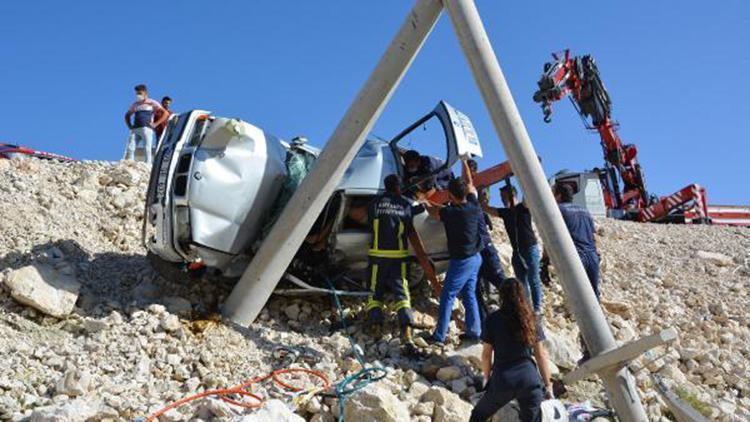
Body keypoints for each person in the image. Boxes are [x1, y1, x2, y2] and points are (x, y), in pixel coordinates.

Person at [366, 174, 440, 352]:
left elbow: (364, 218)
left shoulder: (374, 202)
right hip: (398, 259)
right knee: (402, 294)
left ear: (385, 186)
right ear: (399, 187)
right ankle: (406, 330)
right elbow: (417, 213)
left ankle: (376, 327)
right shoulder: (406, 204)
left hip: (377, 258)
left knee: (375, 294)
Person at [423, 159, 483, 344]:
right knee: (469, 294)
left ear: (450, 195)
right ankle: (474, 332)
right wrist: (464, 161)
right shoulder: (473, 206)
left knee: (448, 295)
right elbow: (470, 183)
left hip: (463, 260)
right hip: (475, 257)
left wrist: (423, 201)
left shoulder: (451, 213)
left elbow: (433, 211)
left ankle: (439, 335)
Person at [470, 278, 544, 422]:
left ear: (501, 296)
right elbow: (540, 355)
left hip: (503, 379)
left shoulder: (492, 320)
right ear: (523, 295)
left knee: (478, 416)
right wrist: (548, 384)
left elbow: (486, 356)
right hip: (529, 379)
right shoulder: (532, 319)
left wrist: (487, 378)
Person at [482, 185, 543, 313]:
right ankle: (526, 307)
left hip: (530, 248)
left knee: (533, 279)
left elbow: (529, 192)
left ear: (512, 195)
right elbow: (488, 209)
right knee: (522, 282)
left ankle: (537, 309)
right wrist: (482, 199)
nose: (502, 200)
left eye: (503, 196)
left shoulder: (523, 207)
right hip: (517, 251)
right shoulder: (505, 212)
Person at [467, 159, 506, 320]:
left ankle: (517, 312)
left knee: (499, 282)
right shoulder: (469, 193)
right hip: (475, 249)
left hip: (483, 246)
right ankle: (484, 324)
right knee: (475, 288)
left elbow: (483, 204)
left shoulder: (479, 187)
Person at [553, 183, 600, 299]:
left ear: (558, 196)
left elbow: (552, 235)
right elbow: (594, 236)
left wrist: (545, 259)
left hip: (577, 256)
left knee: (577, 295)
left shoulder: (559, 210)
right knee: (594, 294)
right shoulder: (585, 211)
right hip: (592, 256)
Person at [124, 84, 168, 164]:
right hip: (135, 129)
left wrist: (155, 124)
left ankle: (147, 164)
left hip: (146, 128)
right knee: (131, 146)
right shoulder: (135, 104)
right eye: (137, 93)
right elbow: (127, 115)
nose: (138, 95)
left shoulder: (151, 102)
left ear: (145, 93)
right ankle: (130, 163)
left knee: (147, 147)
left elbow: (165, 113)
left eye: (140, 93)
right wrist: (130, 126)